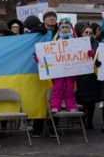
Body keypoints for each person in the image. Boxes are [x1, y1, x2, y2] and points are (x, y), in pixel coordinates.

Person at [31, 8, 59, 138]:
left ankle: (54, 128)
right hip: (40, 69)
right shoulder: (36, 32)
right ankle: (37, 129)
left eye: (54, 16)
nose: (52, 18)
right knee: (41, 99)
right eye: (49, 16)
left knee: (55, 98)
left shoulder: (61, 31)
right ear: (44, 19)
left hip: (57, 70)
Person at [48, 17, 81, 113]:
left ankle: (71, 107)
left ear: (70, 28)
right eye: (63, 27)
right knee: (57, 88)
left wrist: (88, 53)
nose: (65, 29)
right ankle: (55, 106)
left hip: (71, 69)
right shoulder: (55, 41)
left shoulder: (76, 41)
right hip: (58, 70)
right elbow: (49, 53)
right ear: (59, 28)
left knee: (70, 89)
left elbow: (81, 52)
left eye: (67, 27)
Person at [76, 25, 101, 130]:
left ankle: (90, 121)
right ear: (82, 33)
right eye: (86, 32)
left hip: (92, 77)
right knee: (81, 101)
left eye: (90, 33)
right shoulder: (75, 44)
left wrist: (97, 62)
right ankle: (82, 122)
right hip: (80, 77)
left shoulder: (97, 45)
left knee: (91, 102)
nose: (88, 34)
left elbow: (101, 58)